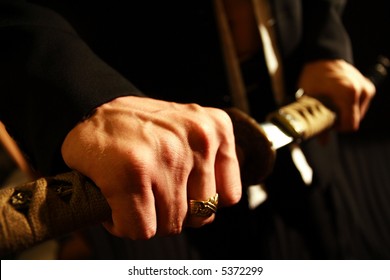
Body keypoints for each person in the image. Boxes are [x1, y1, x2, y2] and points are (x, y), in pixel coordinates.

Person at [0, 0, 376, 259]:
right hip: (169, 162)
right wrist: (89, 100)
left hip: (301, 112)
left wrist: (327, 46)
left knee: (331, 236)